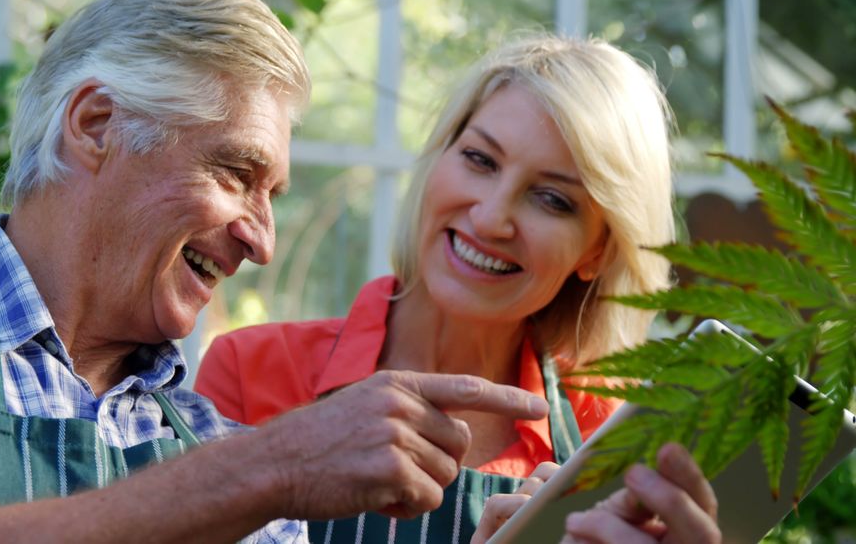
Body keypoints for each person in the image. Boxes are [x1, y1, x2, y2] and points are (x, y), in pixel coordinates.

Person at [0, 0, 555, 542]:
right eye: (237, 174)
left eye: (275, 195)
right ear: (96, 123)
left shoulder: (215, 448)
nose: (262, 239)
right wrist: (268, 467)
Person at [196, 34, 721, 542]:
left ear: (597, 252)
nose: (492, 218)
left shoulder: (614, 431)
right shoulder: (250, 371)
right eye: (480, 160)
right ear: (439, 156)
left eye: (553, 200)